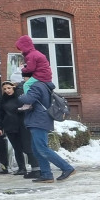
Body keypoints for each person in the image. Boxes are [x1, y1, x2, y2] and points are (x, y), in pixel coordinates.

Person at [16, 52, 76, 184]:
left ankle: (67, 168)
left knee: (42, 148)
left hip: (39, 120)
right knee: (36, 149)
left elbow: (28, 99)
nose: (24, 81)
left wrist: (19, 95)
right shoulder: (41, 84)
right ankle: (46, 174)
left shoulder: (36, 85)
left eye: (24, 78)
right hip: (38, 119)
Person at [0, 80, 38, 176]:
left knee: (27, 147)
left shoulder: (20, 97)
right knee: (17, 148)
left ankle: (36, 168)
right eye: (5, 89)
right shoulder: (3, 100)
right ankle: (21, 168)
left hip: (22, 126)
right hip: (9, 127)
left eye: (9, 88)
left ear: (13, 87)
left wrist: (21, 110)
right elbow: (0, 115)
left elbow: (29, 107)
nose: (7, 90)